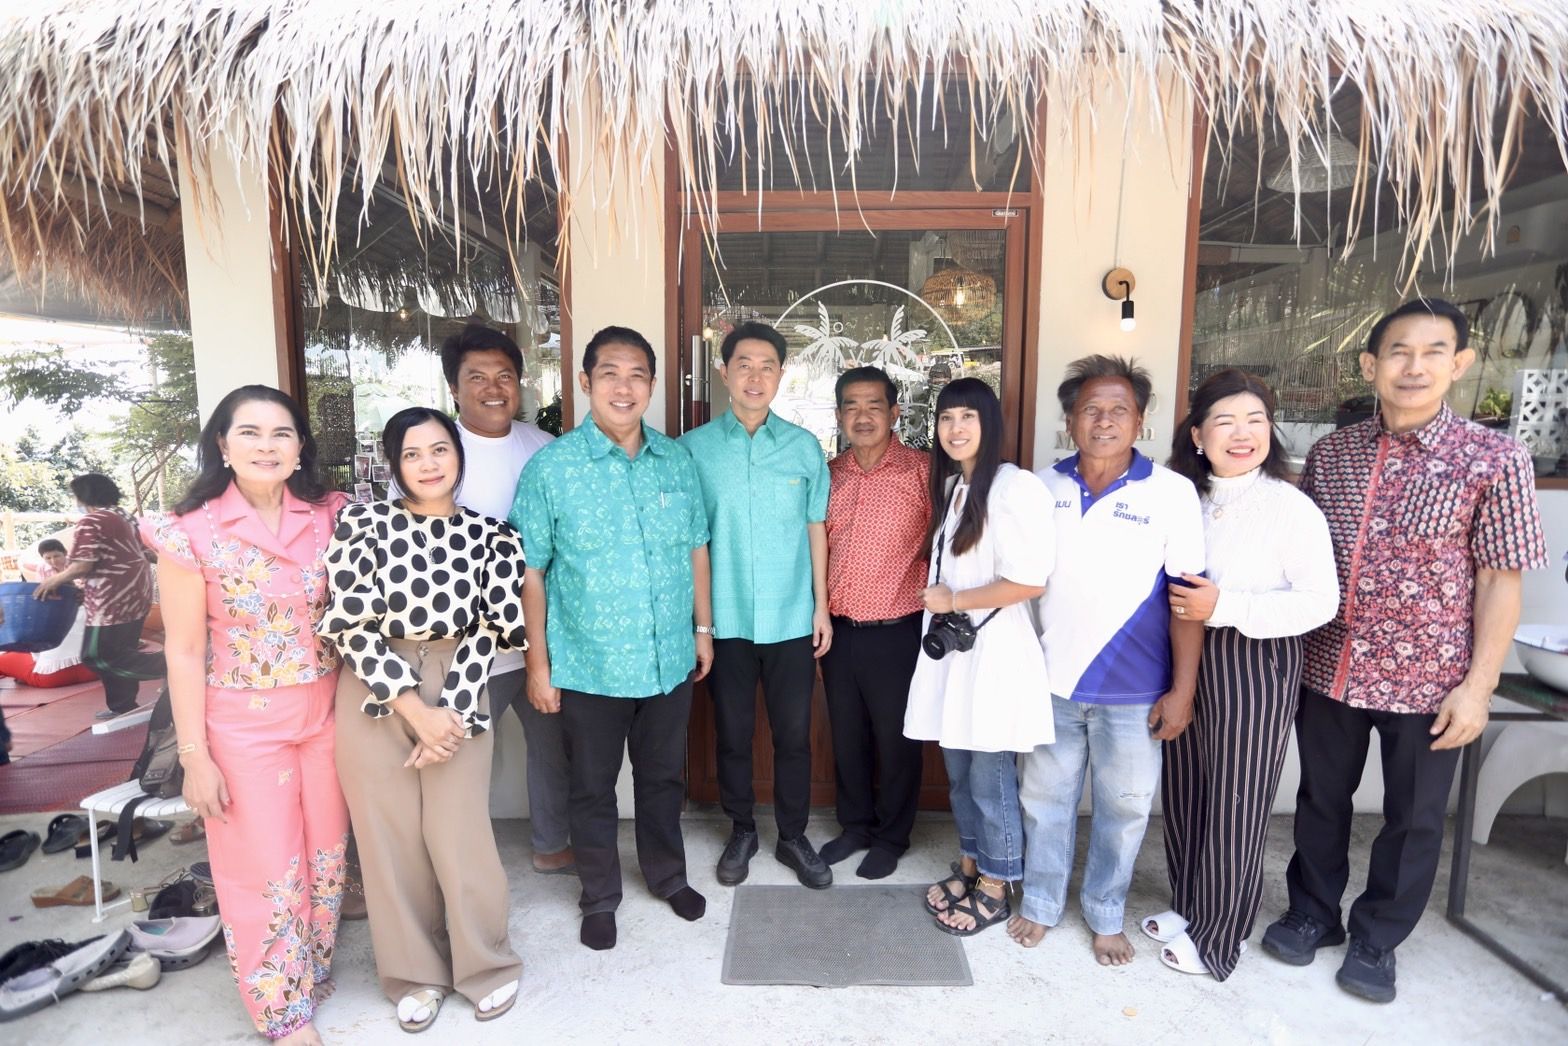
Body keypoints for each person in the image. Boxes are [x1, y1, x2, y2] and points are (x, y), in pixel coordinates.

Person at [1261, 298, 1547, 1003]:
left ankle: (1378, 936)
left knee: (1414, 818)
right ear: (1371, 365)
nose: (1414, 367)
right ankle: (1313, 912)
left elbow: (1500, 582)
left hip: (1432, 680)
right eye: (1398, 352)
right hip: (1329, 665)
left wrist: (1479, 687)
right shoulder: (1333, 454)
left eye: (1433, 352)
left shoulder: (1495, 458)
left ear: (1460, 364)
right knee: (1320, 800)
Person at [140, 385, 350, 1045]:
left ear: (300, 447)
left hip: (328, 713)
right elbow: (183, 649)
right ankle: (283, 1013)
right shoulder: (190, 530)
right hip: (243, 726)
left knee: (325, 856)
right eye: (250, 433)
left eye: (281, 433)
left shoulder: (331, 515)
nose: (267, 446)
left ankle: (309, 972)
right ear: (223, 446)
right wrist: (194, 757)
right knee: (264, 869)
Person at [512, 325, 713, 951]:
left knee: (662, 780)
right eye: (609, 374)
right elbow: (531, 571)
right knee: (592, 788)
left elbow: (697, 548)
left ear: (651, 385)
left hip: (667, 659)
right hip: (588, 664)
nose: (624, 388)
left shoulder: (675, 460)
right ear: (585, 382)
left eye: (636, 376)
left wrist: (703, 629)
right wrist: (538, 665)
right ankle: (599, 897)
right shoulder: (553, 468)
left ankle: (668, 876)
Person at [320, 407, 523, 1030]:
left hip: (460, 680)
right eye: (412, 454)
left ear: (458, 455)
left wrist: (450, 715)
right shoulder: (362, 524)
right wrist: (412, 709)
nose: (428, 464)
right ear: (394, 464)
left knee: (460, 830)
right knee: (389, 839)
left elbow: (491, 630)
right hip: (373, 685)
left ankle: (486, 964)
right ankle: (413, 973)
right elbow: (349, 623)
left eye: (439, 449)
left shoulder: (494, 536)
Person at [1139, 369, 1339, 979]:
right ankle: (1191, 907)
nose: (1242, 433)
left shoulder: (1289, 506)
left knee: (1237, 800)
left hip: (1255, 660)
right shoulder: (1184, 497)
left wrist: (1226, 607)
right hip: (1185, 653)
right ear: (1198, 435)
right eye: (1225, 421)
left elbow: (1320, 603)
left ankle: (1221, 937)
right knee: (1188, 788)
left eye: (1255, 420)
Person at [1015, 355, 1205, 963]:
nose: (1104, 421)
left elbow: (1188, 602)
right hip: (1052, 682)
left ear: (1140, 421)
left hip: (1136, 690)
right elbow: (1020, 584)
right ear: (1070, 420)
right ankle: (1040, 903)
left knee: (1123, 811)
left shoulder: (1172, 493)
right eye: (1090, 409)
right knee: (1044, 802)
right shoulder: (1041, 489)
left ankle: (1104, 912)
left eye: (1118, 410)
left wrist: (1183, 690)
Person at [678, 321, 833, 890]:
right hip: (726, 621)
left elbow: (816, 528)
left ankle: (792, 836)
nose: (755, 376)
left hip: (791, 617)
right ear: (724, 373)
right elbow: (690, 539)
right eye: (743, 364)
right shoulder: (693, 450)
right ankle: (741, 830)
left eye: (767, 366)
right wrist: (700, 623)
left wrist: (821, 606)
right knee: (733, 735)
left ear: (781, 376)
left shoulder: (803, 448)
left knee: (794, 736)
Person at [904, 378, 1054, 936]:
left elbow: (1030, 580)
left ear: (990, 424)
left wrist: (954, 602)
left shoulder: (1015, 488)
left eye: (968, 416)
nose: (956, 428)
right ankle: (971, 864)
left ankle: (996, 884)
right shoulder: (955, 487)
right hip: (957, 655)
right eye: (946, 418)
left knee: (990, 778)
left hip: (995, 654)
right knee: (960, 774)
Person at [437, 322, 571, 875]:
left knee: (553, 746)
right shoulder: (435, 448)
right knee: (463, 754)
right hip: (468, 640)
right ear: (454, 388)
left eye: (505, 376)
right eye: (477, 378)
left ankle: (552, 843)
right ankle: (458, 861)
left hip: (540, 634)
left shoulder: (545, 448)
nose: (493, 388)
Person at [820, 367, 931, 880]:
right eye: (852, 406)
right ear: (839, 415)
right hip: (839, 631)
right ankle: (856, 827)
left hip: (898, 630)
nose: (862, 416)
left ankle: (891, 836)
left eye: (874, 405)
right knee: (847, 737)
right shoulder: (830, 474)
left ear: (894, 412)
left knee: (897, 740)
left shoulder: (923, 472)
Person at [34, 474, 163, 719]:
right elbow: (136, 553)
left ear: (84, 496)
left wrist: (53, 581)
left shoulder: (92, 521)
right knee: (123, 649)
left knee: (97, 656)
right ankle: (122, 705)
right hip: (135, 595)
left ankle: (171, 666)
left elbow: (83, 564)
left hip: (110, 601)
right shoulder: (124, 516)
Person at [0, 540, 96, 689]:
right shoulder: (94, 609)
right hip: (97, 670)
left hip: (52, 676)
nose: (53, 561)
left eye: (56, 556)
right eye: (48, 558)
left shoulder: (44, 615)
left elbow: (34, 649)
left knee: (7, 658)